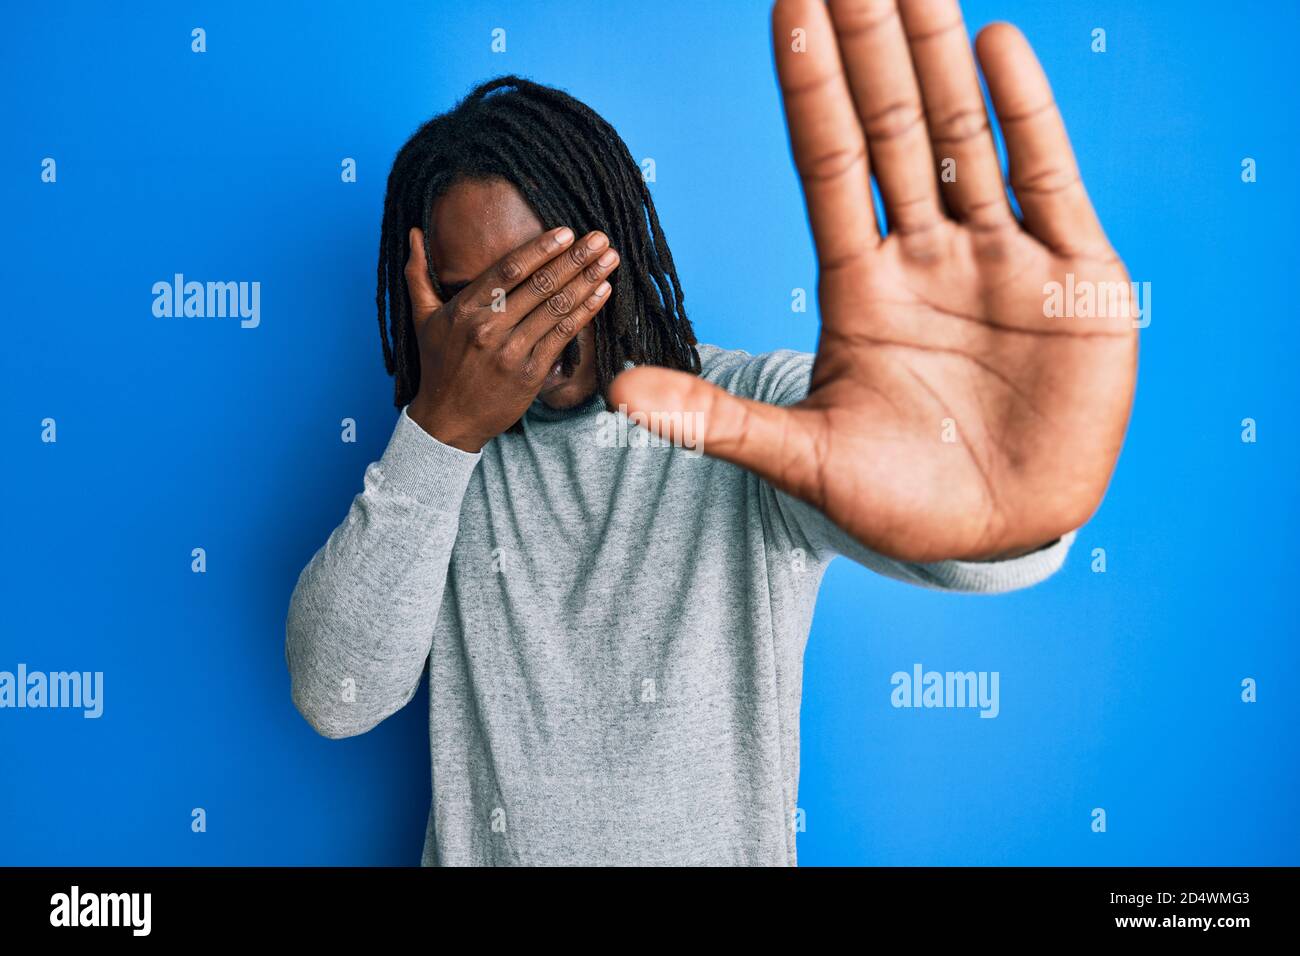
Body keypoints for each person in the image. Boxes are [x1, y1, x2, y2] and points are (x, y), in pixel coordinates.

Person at [285, 0, 1137, 865]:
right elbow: (337, 694)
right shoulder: (441, 458)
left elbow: (968, 543)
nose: (518, 332)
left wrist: (999, 488)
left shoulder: (751, 414)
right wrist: (441, 429)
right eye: (477, 302)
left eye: (545, 278)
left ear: (608, 242)